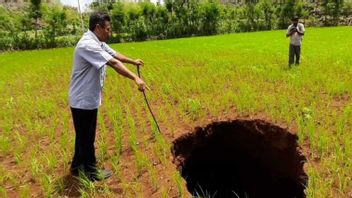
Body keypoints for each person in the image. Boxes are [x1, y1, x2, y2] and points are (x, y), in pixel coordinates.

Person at [68, 12, 149, 181]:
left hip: (86, 98)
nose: (109, 32)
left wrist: (133, 61)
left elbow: (115, 55)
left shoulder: (98, 42)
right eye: (108, 29)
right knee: (87, 137)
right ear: (98, 27)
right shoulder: (87, 45)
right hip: (83, 100)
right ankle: (91, 172)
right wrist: (135, 78)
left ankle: (76, 166)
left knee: (83, 135)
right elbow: (112, 63)